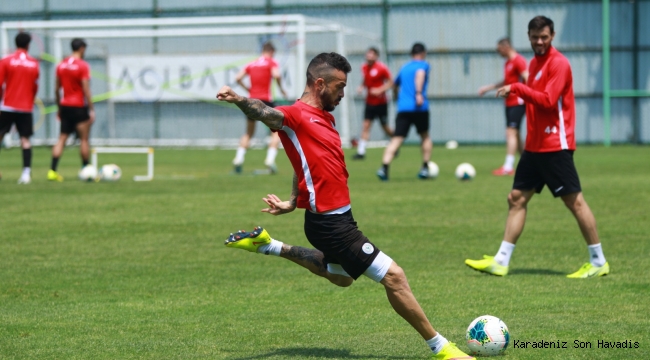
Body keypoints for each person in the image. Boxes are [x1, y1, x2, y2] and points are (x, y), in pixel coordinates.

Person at [217, 52, 474, 360]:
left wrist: (294, 201)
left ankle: (270, 245)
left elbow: (304, 165)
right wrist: (240, 99)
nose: (342, 94)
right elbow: (263, 111)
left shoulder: (326, 117)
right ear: (320, 84)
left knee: (341, 277)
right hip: (331, 225)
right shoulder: (295, 115)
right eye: (339, 87)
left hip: (336, 219)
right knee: (394, 276)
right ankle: (441, 348)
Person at [465, 16, 609, 279]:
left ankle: (598, 261)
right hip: (534, 147)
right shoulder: (534, 62)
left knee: (575, 203)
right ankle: (501, 260)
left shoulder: (559, 64)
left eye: (544, 37)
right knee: (516, 199)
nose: (539, 41)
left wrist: (518, 88)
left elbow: (548, 100)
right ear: (529, 36)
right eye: (534, 37)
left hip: (555, 144)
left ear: (552, 35)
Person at [377, 43, 432, 181]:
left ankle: (384, 167)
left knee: (396, 138)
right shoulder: (423, 65)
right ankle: (425, 167)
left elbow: (395, 85)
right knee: (424, 136)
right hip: (420, 107)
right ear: (423, 53)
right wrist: (419, 93)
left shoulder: (404, 67)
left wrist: (395, 96)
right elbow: (420, 74)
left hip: (403, 108)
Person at [232, 42, 287, 174]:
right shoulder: (271, 62)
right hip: (265, 101)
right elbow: (277, 75)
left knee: (248, 133)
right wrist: (280, 88)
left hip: (251, 101)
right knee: (276, 132)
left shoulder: (252, 63)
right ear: (272, 52)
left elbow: (237, 77)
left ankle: (238, 159)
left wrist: (247, 89)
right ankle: (270, 160)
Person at [478, 38, 528, 176]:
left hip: (518, 102)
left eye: (498, 50)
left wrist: (529, 96)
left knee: (510, 132)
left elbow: (527, 77)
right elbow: (506, 81)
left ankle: (508, 166)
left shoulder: (518, 60)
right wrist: (488, 88)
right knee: (516, 134)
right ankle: (529, 164)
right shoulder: (508, 63)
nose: (498, 52)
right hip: (509, 103)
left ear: (506, 47)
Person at [48, 38, 94, 182]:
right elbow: (86, 89)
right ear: (81, 48)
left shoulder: (61, 65)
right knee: (84, 140)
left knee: (62, 138)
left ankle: (52, 171)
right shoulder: (83, 65)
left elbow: (56, 89)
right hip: (79, 106)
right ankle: (86, 170)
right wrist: (91, 108)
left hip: (65, 105)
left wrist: (59, 106)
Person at [0, 32, 40, 184]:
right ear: (29, 45)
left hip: (7, 105)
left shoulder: (6, 61)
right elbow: (35, 86)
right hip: (25, 107)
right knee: (25, 140)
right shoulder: (34, 63)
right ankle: (26, 174)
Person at [353, 47, 393, 160]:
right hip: (369, 102)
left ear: (376, 56)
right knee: (366, 126)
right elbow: (366, 79)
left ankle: (395, 141)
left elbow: (391, 82)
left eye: (371, 55)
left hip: (381, 103)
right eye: (368, 54)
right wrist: (361, 87)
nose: (369, 57)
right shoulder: (364, 67)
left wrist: (380, 90)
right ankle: (361, 152)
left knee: (384, 127)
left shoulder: (381, 68)